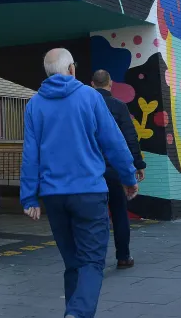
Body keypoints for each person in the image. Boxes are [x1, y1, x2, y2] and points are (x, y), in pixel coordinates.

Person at [21, 49, 138, 318]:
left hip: (54, 197)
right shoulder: (90, 97)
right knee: (92, 262)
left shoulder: (35, 104)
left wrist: (29, 196)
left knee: (73, 263)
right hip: (89, 193)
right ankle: (77, 313)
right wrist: (128, 177)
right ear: (72, 69)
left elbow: (30, 153)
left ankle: (73, 311)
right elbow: (114, 142)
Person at [90, 70, 145, 269]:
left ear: (92, 84)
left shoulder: (85, 105)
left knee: (95, 216)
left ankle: (95, 259)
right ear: (110, 83)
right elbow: (130, 137)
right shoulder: (119, 106)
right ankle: (123, 256)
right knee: (119, 212)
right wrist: (138, 164)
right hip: (114, 170)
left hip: (92, 170)